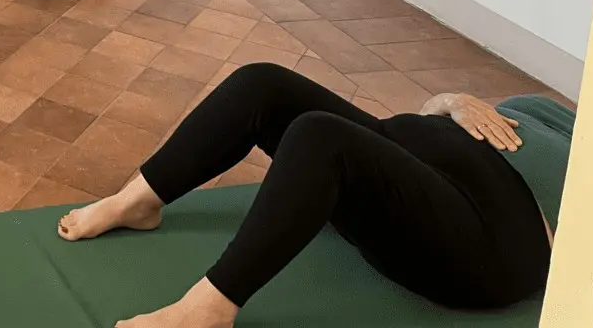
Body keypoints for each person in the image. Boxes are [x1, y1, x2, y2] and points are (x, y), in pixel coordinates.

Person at [56, 63, 559, 327]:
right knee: (263, 84)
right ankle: (139, 200)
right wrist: (450, 101)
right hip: (424, 162)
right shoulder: (562, 113)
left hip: (494, 241)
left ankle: (208, 309)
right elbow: (438, 111)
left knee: (320, 137)